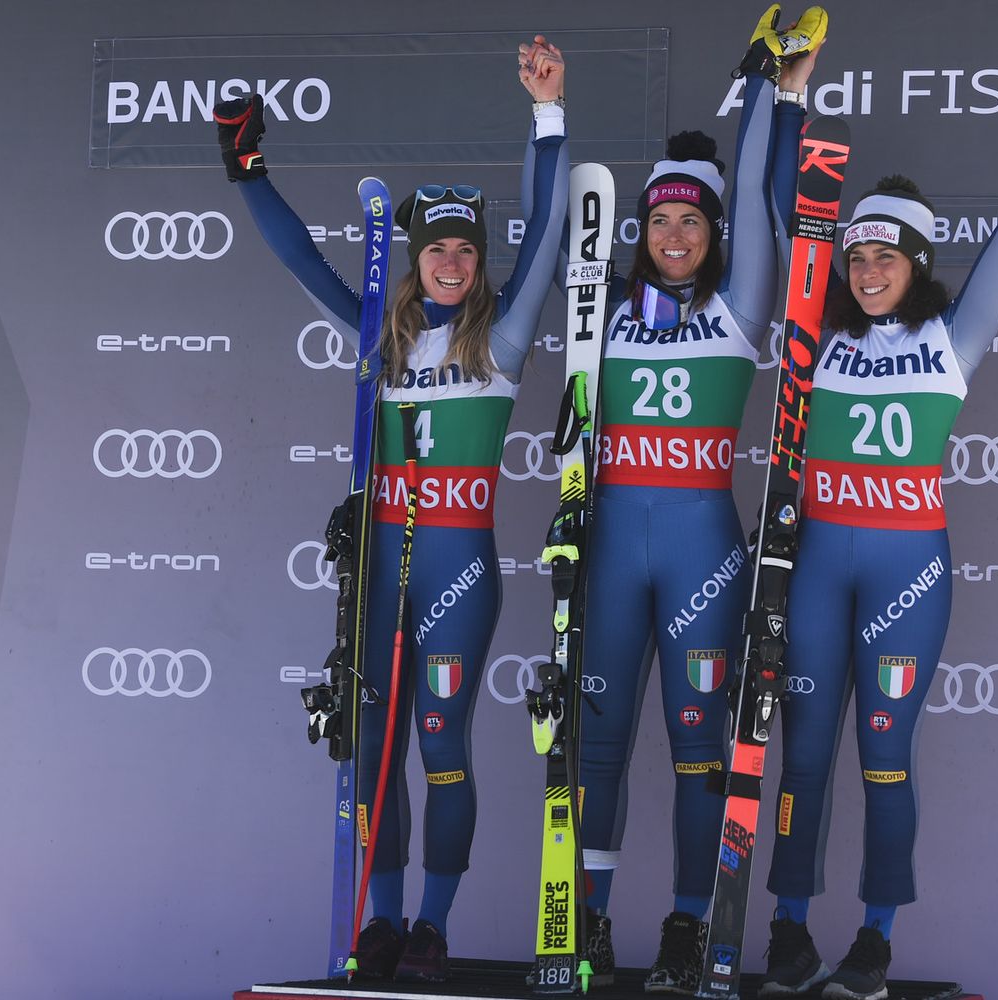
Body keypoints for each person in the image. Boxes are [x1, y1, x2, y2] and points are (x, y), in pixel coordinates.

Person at [211, 37, 570, 983]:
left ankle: (432, 926)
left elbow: (548, 234)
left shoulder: (504, 337)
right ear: (415, 259)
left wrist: (548, 113)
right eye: (437, 248)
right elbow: (300, 259)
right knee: (370, 748)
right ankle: (382, 919)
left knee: (442, 745)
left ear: (480, 262)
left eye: (466, 249)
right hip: (380, 566)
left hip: (458, 570)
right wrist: (247, 171)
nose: (451, 262)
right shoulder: (380, 334)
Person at [757, 26, 998, 1000]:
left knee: (885, 759)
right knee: (804, 757)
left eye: (884, 257)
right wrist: (786, 96)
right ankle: (787, 932)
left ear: (917, 261)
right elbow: (781, 208)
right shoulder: (815, 330)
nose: (865, 271)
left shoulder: (955, 333)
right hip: (819, 565)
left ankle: (874, 941)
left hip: (908, 571)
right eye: (855, 255)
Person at [569, 6, 825, 993]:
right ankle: (588, 920)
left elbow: (759, 191)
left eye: (692, 220)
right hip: (610, 546)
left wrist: (768, 87)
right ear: (642, 230)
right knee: (596, 746)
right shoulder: (605, 309)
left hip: (701, 552)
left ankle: (685, 924)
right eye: (660, 220)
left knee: (695, 752)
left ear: (714, 232)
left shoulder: (739, 306)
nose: (674, 235)